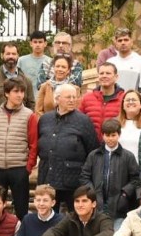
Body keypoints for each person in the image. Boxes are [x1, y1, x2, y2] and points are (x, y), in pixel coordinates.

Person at [37, 84, 99, 212]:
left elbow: (93, 150)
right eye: (68, 97)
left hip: (73, 181)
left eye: (74, 97)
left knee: (75, 218)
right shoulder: (45, 119)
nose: (72, 100)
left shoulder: (84, 121)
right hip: (47, 178)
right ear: (57, 99)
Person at [0, 79, 38, 218]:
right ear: (7, 93)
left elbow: (34, 144)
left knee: (21, 208)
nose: (20, 95)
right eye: (15, 91)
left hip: (19, 168)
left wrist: (28, 167)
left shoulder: (29, 115)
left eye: (22, 91)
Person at [81, 118, 141, 220]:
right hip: (97, 203)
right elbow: (84, 176)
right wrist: (93, 193)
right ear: (102, 135)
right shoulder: (94, 155)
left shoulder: (128, 156)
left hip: (119, 205)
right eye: (107, 135)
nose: (110, 139)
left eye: (113, 135)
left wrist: (125, 194)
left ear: (119, 135)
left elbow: (136, 179)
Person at [0, 42, 36, 116]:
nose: (11, 56)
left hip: (21, 124)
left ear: (18, 56)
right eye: (8, 54)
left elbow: (31, 104)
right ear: (2, 55)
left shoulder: (27, 81)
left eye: (13, 54)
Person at [80, 62, 124, 139]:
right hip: (90, 146)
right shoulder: (86, 98)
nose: (104, 76)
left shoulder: (124, 98)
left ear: (116, 77)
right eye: (101, 73)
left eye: (108, 73)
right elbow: (78, 121)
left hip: (115, 145)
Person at [106, 28, 141, 101]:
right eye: (120, 40)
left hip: (132, 108)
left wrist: (133, 103)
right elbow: (104, 89)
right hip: (112, 107)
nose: (123, 43)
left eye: (126, 40)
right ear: (116, 44)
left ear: (131, 42)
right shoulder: (110, 63)